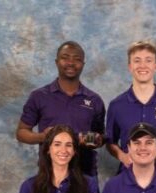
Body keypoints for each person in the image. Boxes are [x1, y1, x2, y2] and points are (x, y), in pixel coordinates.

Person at [17, 40, 106, 177]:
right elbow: (22, 132)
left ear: (82, 64)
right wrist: (43, 137)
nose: (71, 63)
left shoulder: (94, 100)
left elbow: (100, 137)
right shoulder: (39, 96)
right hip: (49, 175)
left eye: (77, 59)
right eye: (65, 58)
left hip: (85, 174)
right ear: (56, 61)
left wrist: (93, 140)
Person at [105, 41, 156, 174]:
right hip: (127, 181)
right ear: (130, 66)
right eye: (137, 60)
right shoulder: (116, 105)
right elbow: (110, 142)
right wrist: (122, 156)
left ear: (155, 66)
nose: (142, 65)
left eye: (148, 60)